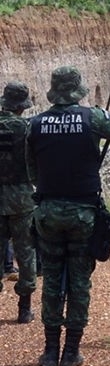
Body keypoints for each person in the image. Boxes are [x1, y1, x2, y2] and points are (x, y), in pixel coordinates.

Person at [26, 66, 110, 366]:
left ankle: (50, 352)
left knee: (51, 280)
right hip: (83, 214)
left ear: (54, 91)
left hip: (48, 213)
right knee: (79, 282)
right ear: (77, 91)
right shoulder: (92, 118)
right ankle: (71, 352)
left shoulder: (35, 124)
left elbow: (31, 171)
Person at [0, 81, 37, 322]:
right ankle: (24, 309)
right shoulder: (27, 128)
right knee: (25, 252)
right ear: (21, 106)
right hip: (22, 198)